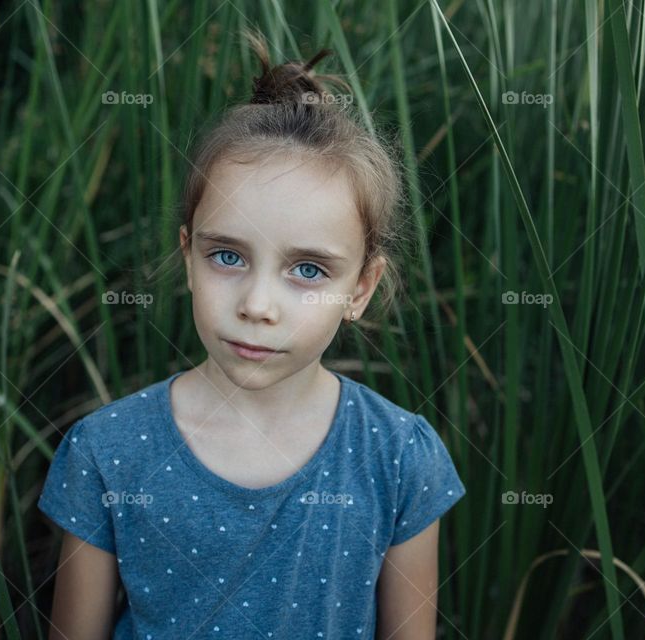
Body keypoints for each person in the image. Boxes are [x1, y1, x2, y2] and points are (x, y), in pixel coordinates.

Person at [38, 28, 466, 640]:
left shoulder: (399, 458)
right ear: (188, 257)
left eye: (309, 270)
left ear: (362, 289)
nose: (258, 305)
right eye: (228, 257)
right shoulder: (108, 451)